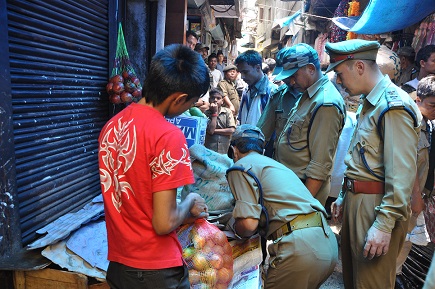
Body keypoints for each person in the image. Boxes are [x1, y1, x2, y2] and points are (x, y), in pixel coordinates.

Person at [98, 44, 210, 289]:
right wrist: (190, 200)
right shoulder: (168, 136)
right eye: (191, 102)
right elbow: (164, 223)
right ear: (179, 98)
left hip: (119, 266)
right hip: (155, 271)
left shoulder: (112, 126)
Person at [327, 39, 422, 289]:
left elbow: (401, 174)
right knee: (354, 281)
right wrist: (344, 196)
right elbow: (364, 160)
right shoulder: (370, 103)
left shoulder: (393, 106)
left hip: (377, 207)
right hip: (359, 202)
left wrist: (384, 224)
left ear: (359, 67)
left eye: (339, 73)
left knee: (371, 284)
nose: (339, 82)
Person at [226, 124, 338, 289]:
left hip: (300, 248)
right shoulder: (274, 165)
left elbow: (248, 225)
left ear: (233, 150)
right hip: (326, 243)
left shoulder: (240, 166)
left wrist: (232, 226)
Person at [273, 43, 346, 206]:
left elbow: (319, 165)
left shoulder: (326, 103)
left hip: (302, 193)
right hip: (290, 188)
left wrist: (302, 206)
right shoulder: (308, 95)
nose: (290, 82)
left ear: (311, 69)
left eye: (294, 75)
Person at [395, 75, 435, 288]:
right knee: (400, 238)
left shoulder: (429, 124)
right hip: (409, 196)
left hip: (421, 196)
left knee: (407, 240)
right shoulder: (411, 123)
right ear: (418, 99)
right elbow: (407, 164)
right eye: (432, 104)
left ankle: (395, 274)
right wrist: (416, 196)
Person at [257, 49, 301, 158]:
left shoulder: (319, 99)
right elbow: (262, 132)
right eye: (285, 78)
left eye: (291, 76)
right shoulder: (278, 96)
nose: (290, 82)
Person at [235, 50, 277, 125]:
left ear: (258, 68)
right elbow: (241, 119)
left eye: (245, 72)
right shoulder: (246, 90)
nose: (242, 77)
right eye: (241, 72)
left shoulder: (272, 91)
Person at [204, 88, 236, 154]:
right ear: (209, 100)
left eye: (218, 98)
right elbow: (210, 130)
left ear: (222, 101)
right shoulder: (205, 114)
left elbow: (231, 130)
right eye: (213, 98)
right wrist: (214, 113)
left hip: (224, 150)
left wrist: (214, 131)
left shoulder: (227, 112)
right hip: (210, 150)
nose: (215, 100)